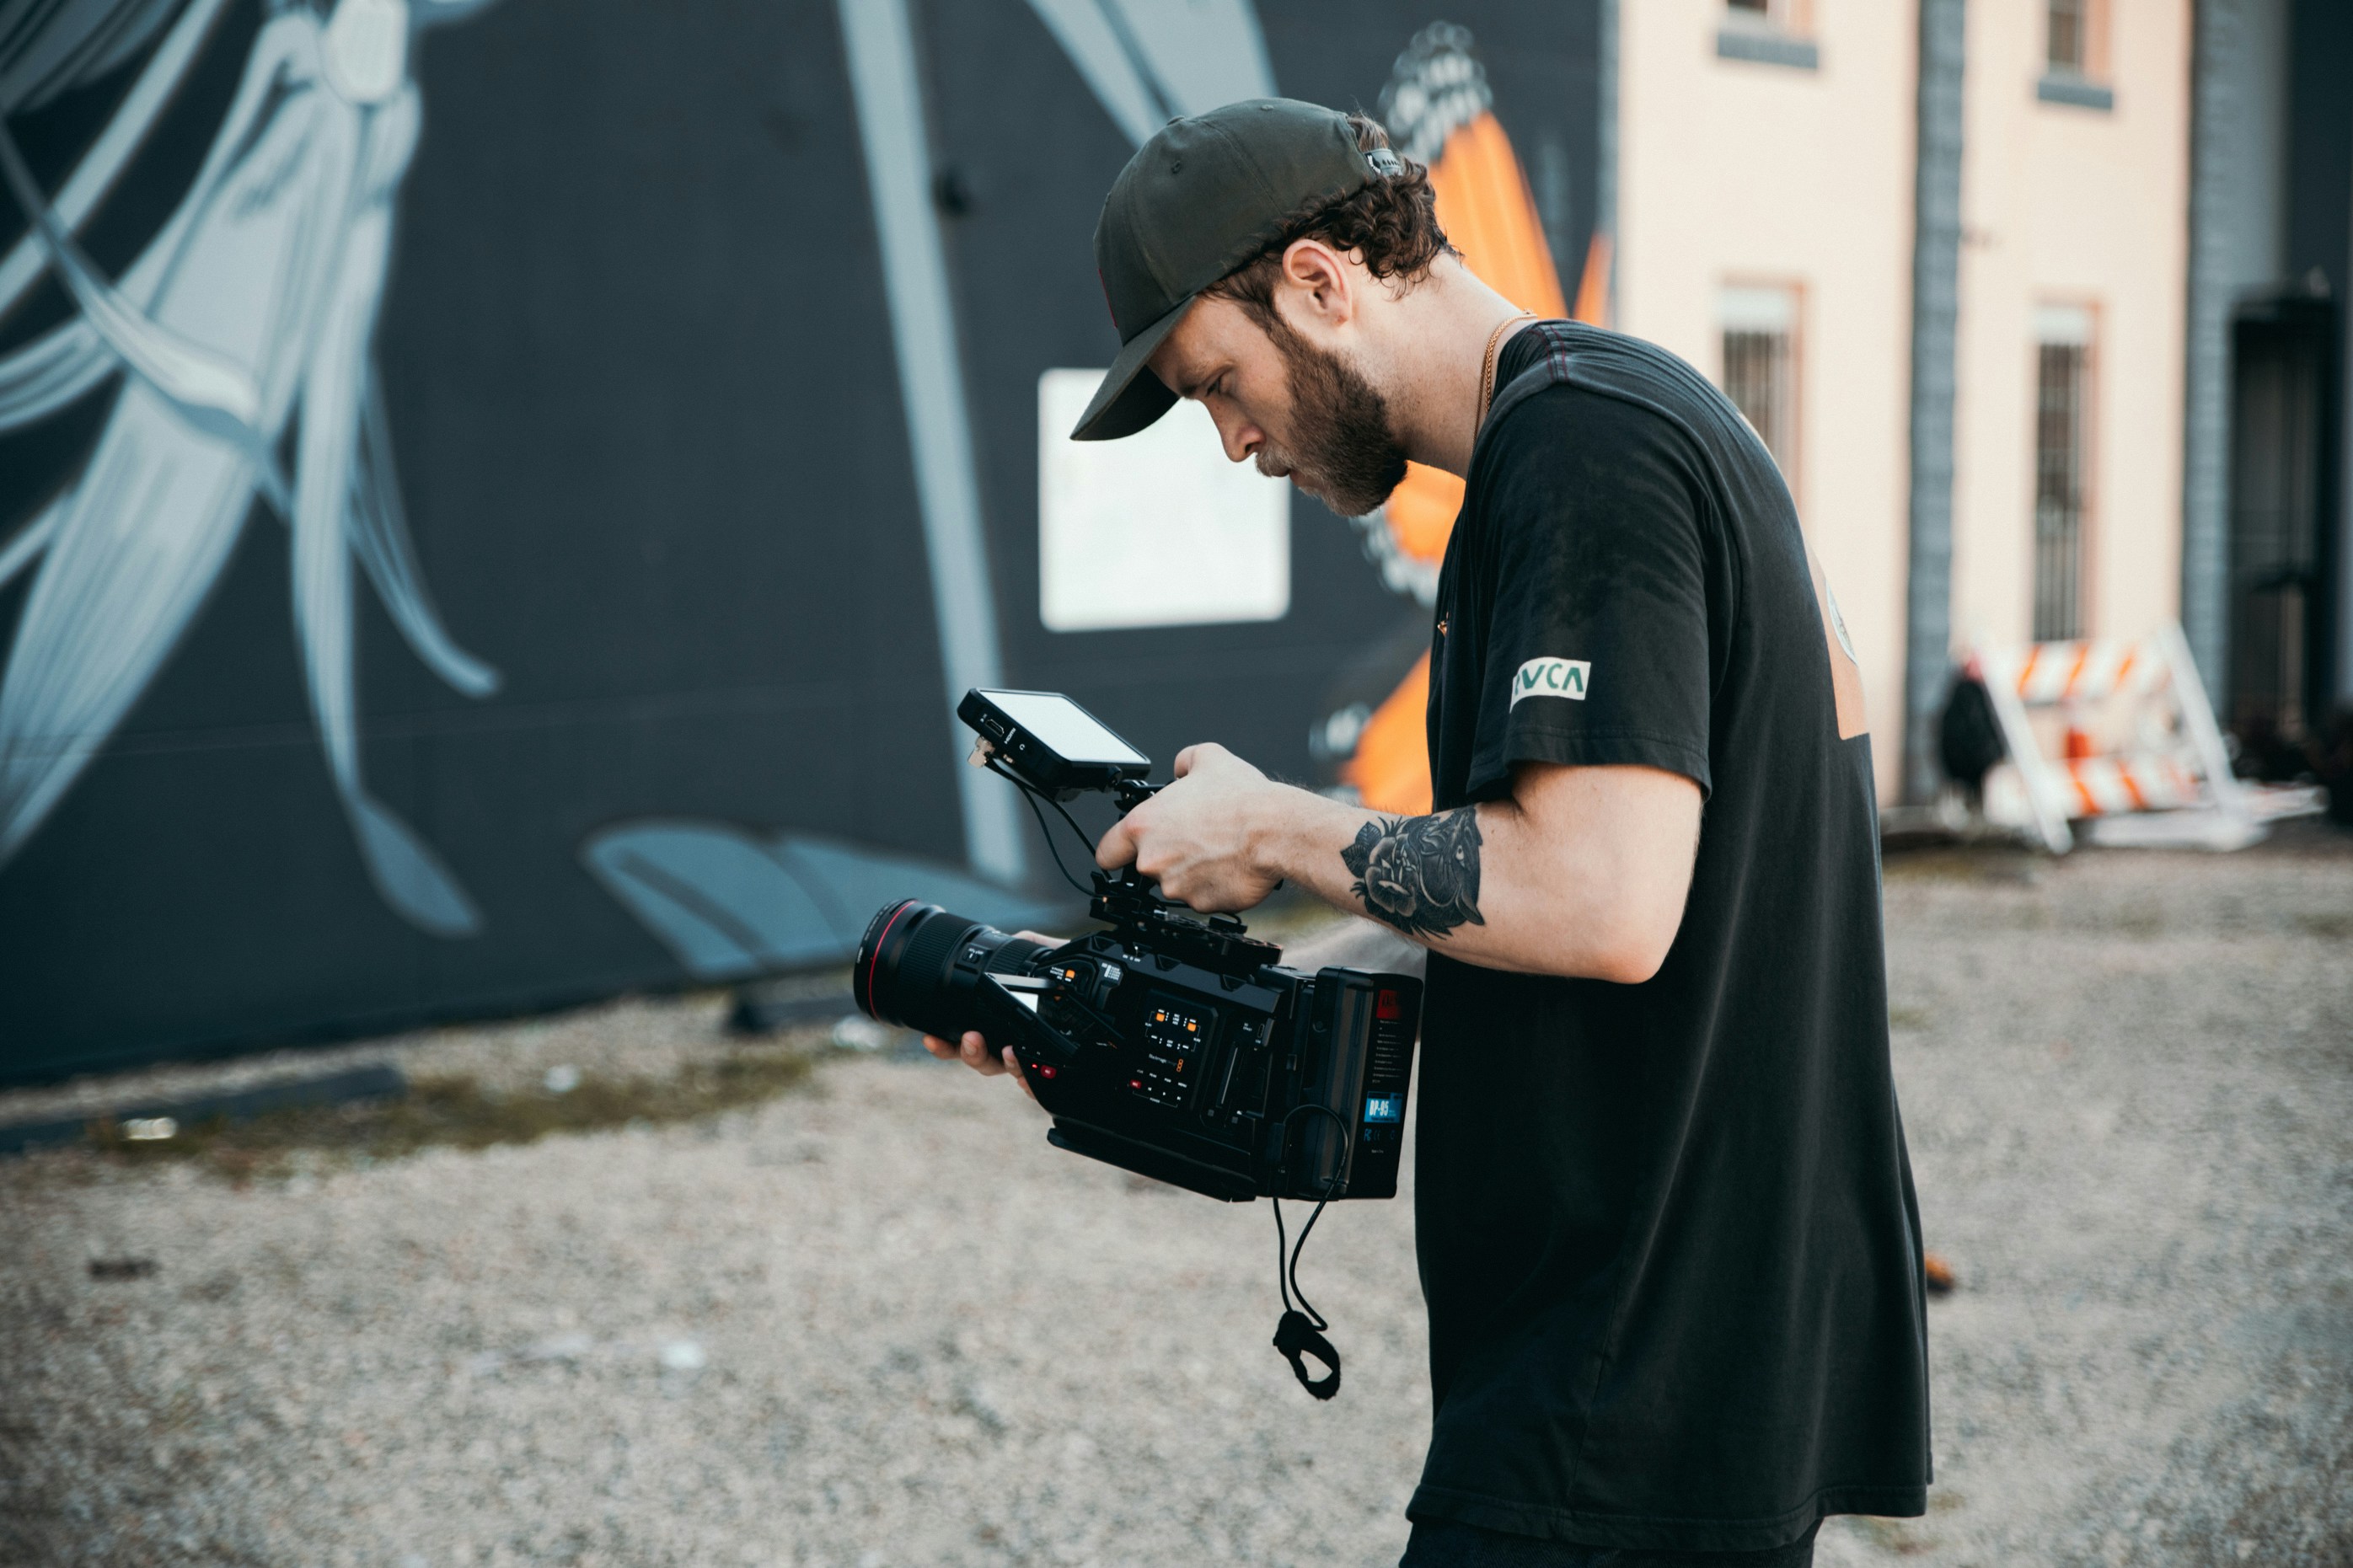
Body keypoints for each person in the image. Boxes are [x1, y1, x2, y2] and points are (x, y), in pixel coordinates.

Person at [926, 98, 1930, 1567]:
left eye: (1219, 379)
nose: (1231, 441)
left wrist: (1275, 822)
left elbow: (1601, 898)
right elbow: (1521, 895)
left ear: (1323, 282)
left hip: (1626, 1376)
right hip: (1674, 1360)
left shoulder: (1587, 456)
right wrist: (1148, 1024)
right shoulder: (1602, 435)